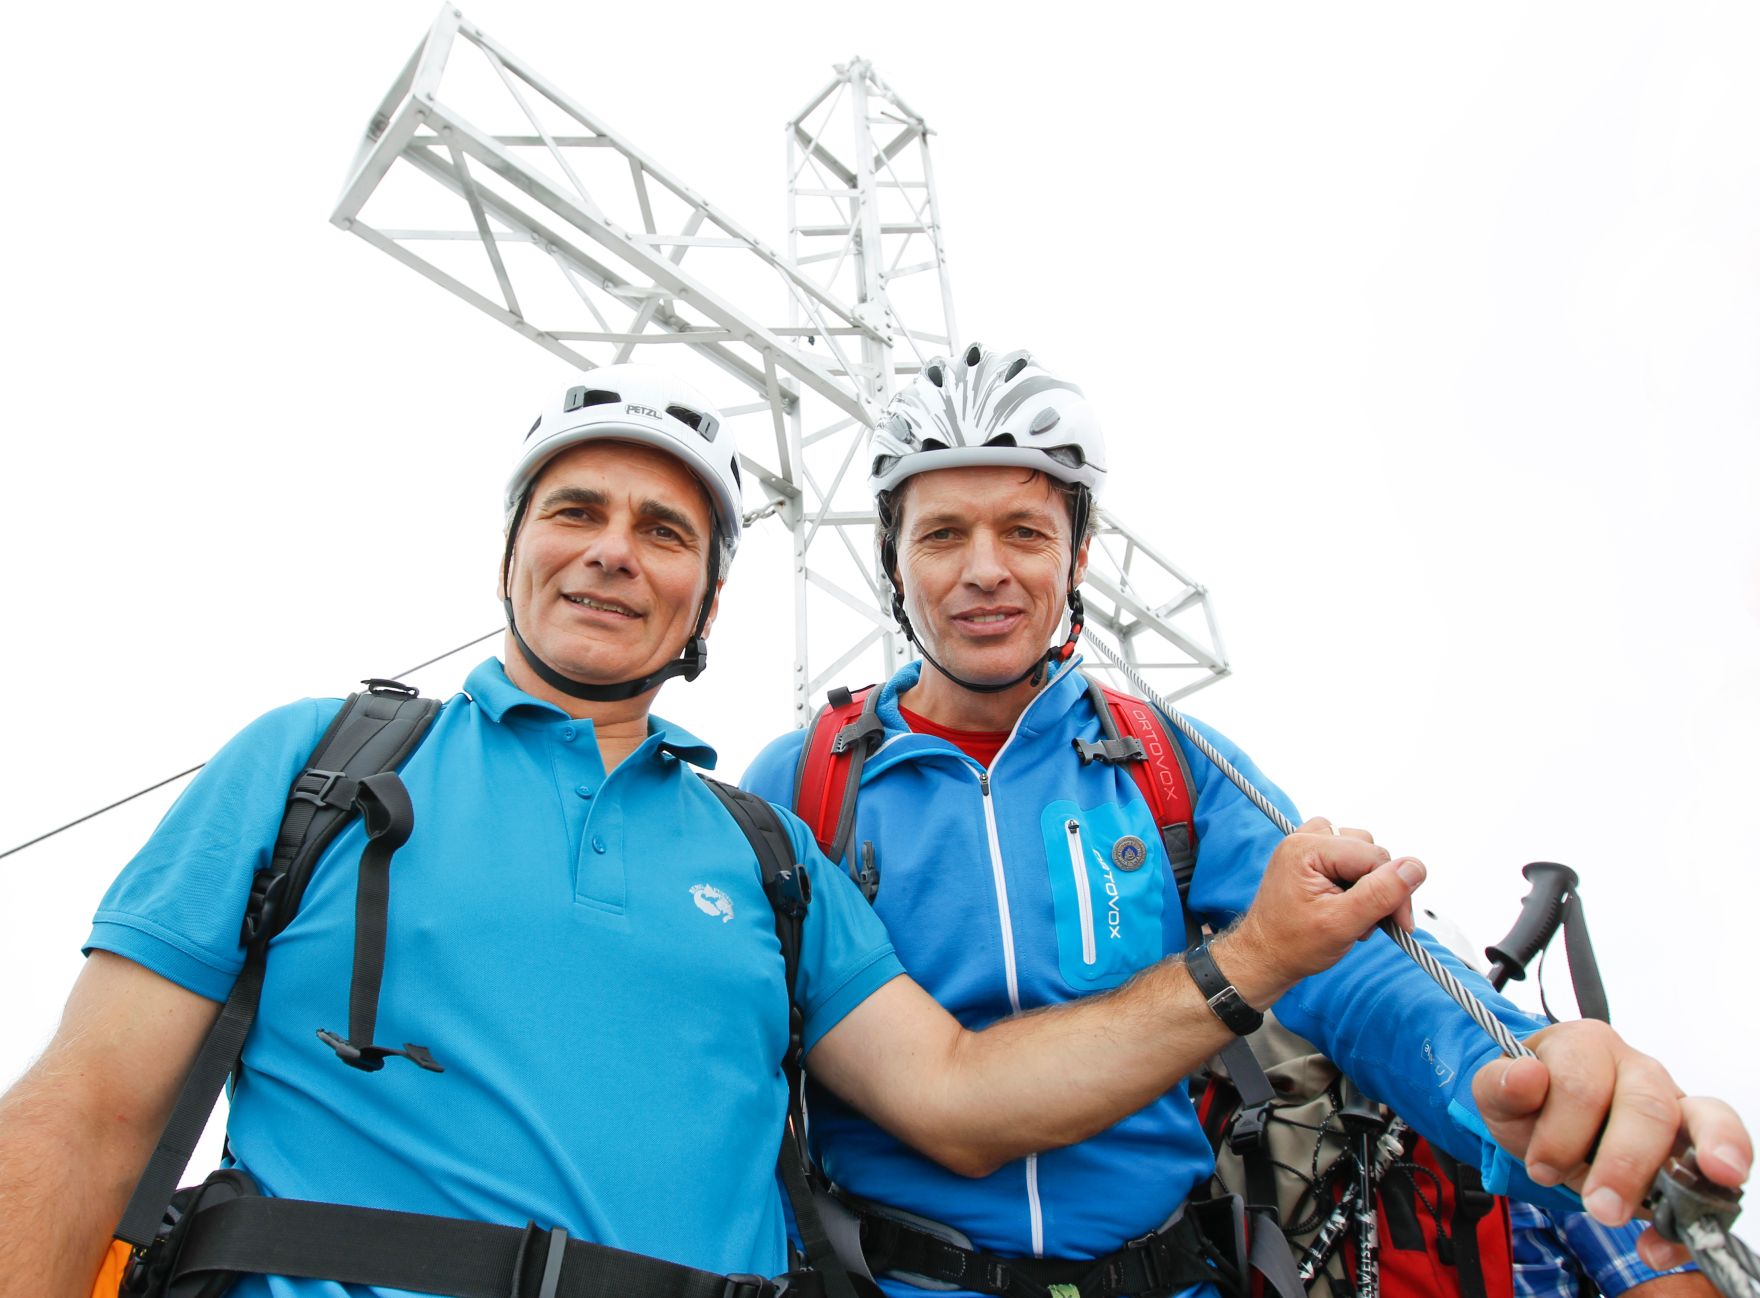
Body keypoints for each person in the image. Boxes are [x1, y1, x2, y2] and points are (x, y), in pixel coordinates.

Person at [0, 365, 1440, 1298]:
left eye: (668, 530)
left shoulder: (768, 854)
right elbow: (82, 1112)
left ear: (706, 603)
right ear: (512, 549)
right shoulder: (312, 760)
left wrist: (1246, 959)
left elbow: (959, 1094)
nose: (617, 548)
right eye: (579, 509)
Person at [741, 344, 1751, 1298]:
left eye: (1023, 530)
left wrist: (1511, 1073)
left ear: (1078, 554)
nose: (984, 569)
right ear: (893, 560)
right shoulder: (808, 779)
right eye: (941, 533)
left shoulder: (1171, 759)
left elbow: (1349, 970)